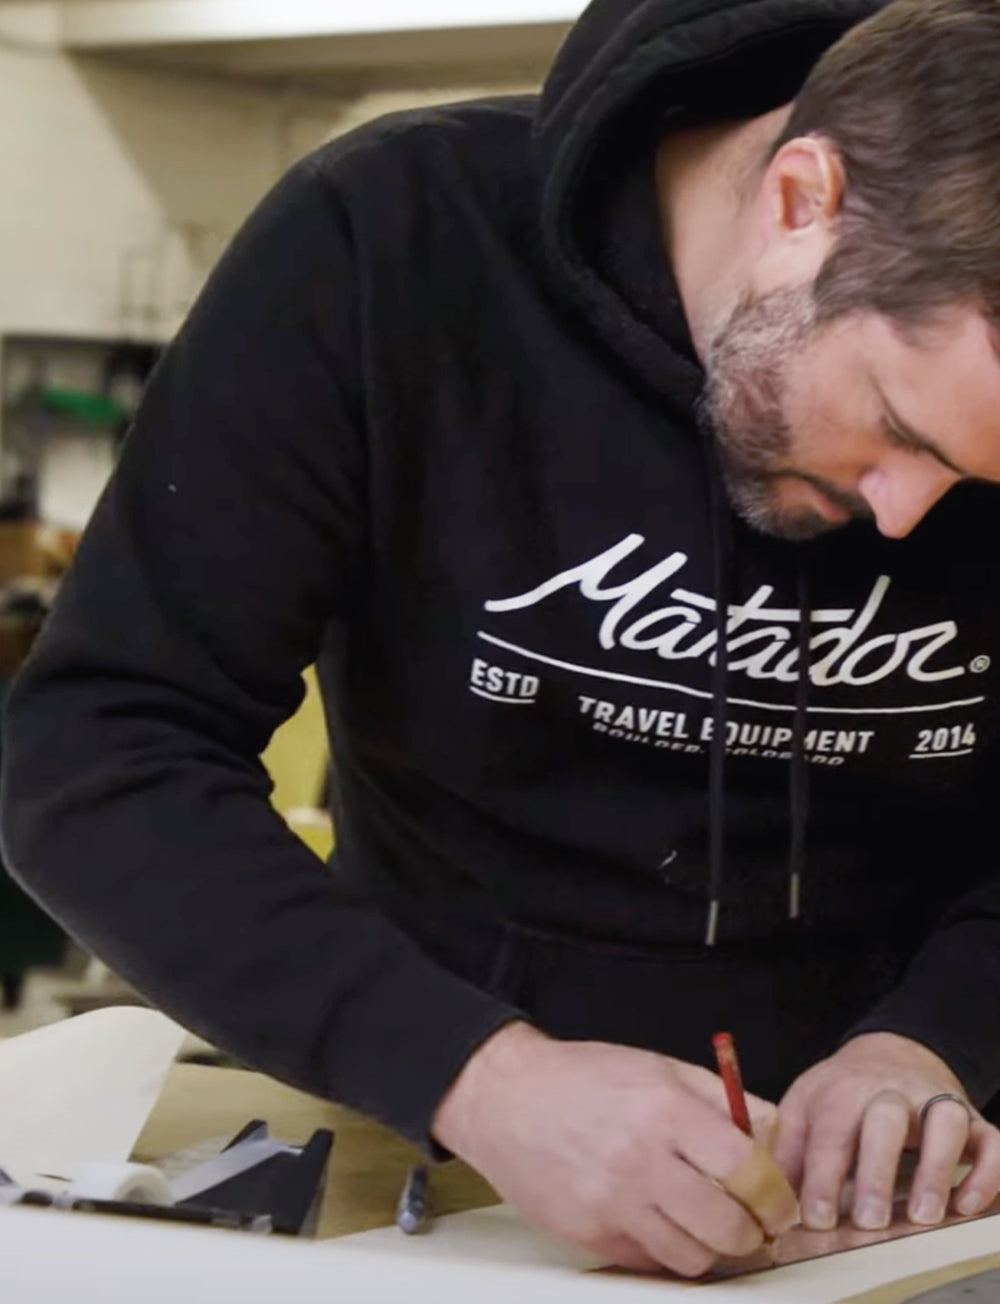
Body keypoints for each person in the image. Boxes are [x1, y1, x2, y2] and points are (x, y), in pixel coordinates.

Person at [4, 0, 1000, 1276]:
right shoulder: (388, 246)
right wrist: (475, 1073)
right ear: (805, 199)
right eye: (900, 429)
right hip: (430, 1157)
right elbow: (99, 752)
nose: (909, 516)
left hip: (900, 1205)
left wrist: (933, 1040)